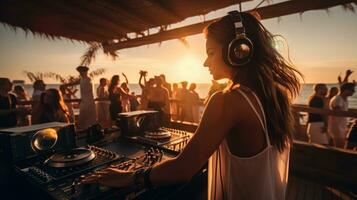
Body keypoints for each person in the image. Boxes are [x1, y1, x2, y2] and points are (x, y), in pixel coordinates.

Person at [82, 11, 300, 200]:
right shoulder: (276, 95)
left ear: (238, 51)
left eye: (211, 53)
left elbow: (183, 169)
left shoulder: (228, 100)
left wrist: (130, 177)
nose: (206, 62)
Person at [328, 82, 356, 148]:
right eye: (352, 90)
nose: (354, 91)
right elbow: (337, 112)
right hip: (337, 127)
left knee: (341, 146)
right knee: (339, 147)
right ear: (345, 90)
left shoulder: (344, 99)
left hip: (342, 126)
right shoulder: (338, 99)